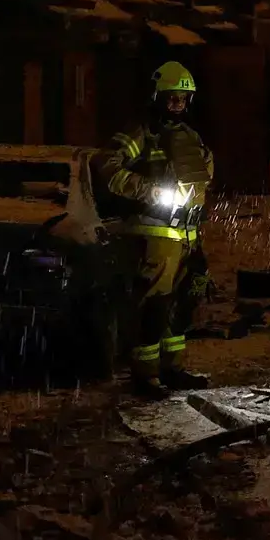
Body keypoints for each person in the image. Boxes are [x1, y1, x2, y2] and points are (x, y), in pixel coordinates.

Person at [95, 60, 214, 397]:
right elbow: (106, 164)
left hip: (188, 234)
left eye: (183, 99)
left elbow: (202, 174)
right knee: (154, 305)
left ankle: (172, 370)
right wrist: (148, 189)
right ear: (158, 97)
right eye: (172, 98)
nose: (178, 104)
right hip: (155, 233)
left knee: (181, 305)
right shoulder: (141, 131)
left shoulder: (190, 135)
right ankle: (145, 376)